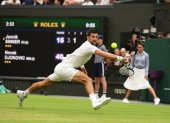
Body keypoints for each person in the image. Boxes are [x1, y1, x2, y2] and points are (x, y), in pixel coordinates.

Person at [17, 29, 124, 110]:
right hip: (65, 68)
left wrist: (83, 70)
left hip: (60, 68)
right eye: (92, 37)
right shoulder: (89, 46)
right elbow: (103, 54)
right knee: (87, 80)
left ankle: (23, 93)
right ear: (88, 37)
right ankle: (94, 102)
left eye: (96, 37)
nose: (95, 39)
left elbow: (79, 60)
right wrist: (119, 58)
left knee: (44, 83)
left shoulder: (87, 47)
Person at [94, 35, 108, 99]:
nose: (97, 40)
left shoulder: (103, 47)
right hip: (96, 64)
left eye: (98, 39)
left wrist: (105, 63)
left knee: (103, 80)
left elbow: (107, 55)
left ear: (101, 40)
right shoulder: (96, 47)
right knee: (96, 80)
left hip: (101, 64)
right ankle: (96, 94)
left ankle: (104, 95)